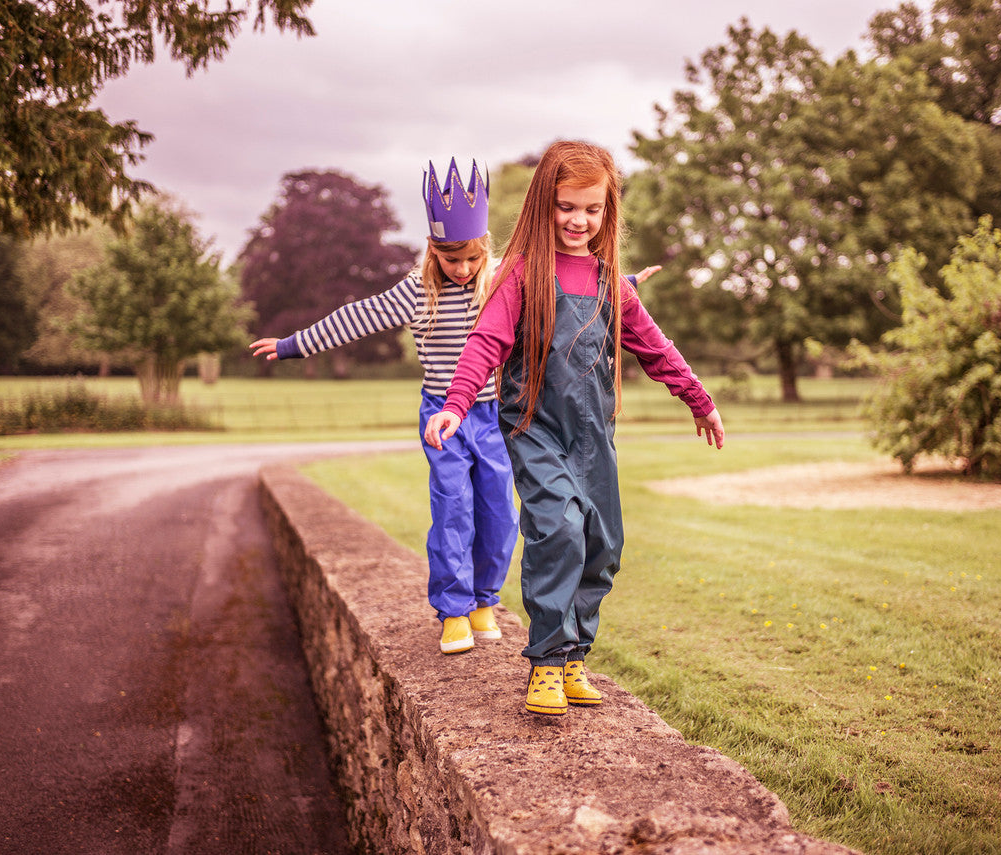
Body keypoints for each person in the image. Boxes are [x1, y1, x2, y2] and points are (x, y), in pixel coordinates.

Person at [424, 140, 724, 717]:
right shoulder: (519, 275)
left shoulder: (612, 282)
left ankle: (574, 658)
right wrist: (456, 405)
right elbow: (484, 343)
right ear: (544, 204)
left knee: (602, 544)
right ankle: (546, 661)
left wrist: (698, 399)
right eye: (566, 206)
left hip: (594, 437)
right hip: (534, 427)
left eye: (592, 208)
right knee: (558, 528)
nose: (579, 220)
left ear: (608, 210)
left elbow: (655, 348)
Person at [251, 158, 520, 655]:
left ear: (485, 249)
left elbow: (561, 289)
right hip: (442, 416)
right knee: (453, 508)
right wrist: (293, 345)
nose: (462, 269)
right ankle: (454, 610)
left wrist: (625, 283)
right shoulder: (417, 292)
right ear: (433, 250)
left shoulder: (502, 279)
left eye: (471, 259)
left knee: (500, 511)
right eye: (451, 259)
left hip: (492, 415)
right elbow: (357, 317)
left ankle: (485, 599)